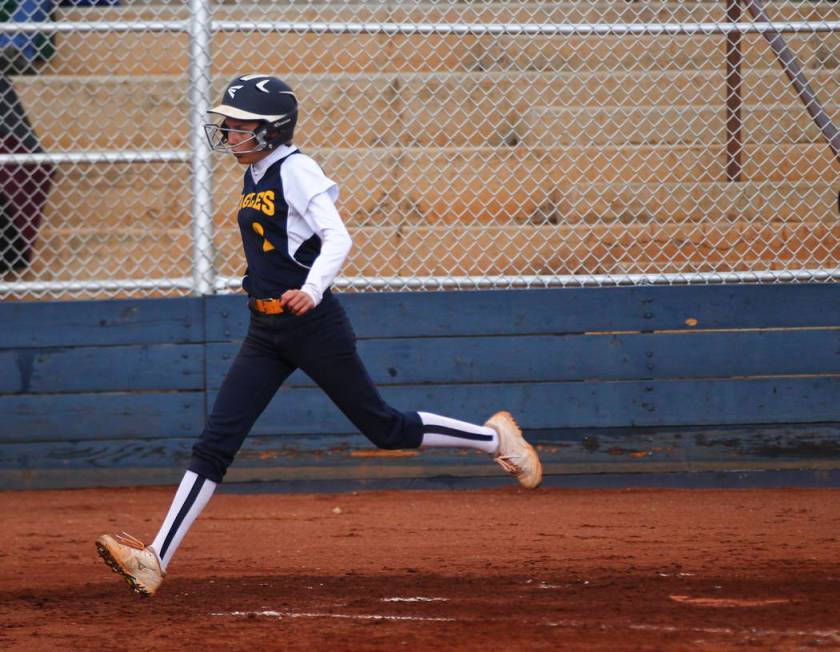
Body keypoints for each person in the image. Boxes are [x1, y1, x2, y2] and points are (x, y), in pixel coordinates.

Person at [94, 74, 542, 597]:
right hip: (266, 329)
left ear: (272, 129)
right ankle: (154, 560)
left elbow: (337, 236)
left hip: (312, 326)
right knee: (216, 442)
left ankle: (494, 439)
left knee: (384, 428)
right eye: (231, 124)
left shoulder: (296, 169)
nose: (232, 132)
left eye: (242, 125)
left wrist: (310, 287)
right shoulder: (256, 173)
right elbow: (278, 242)